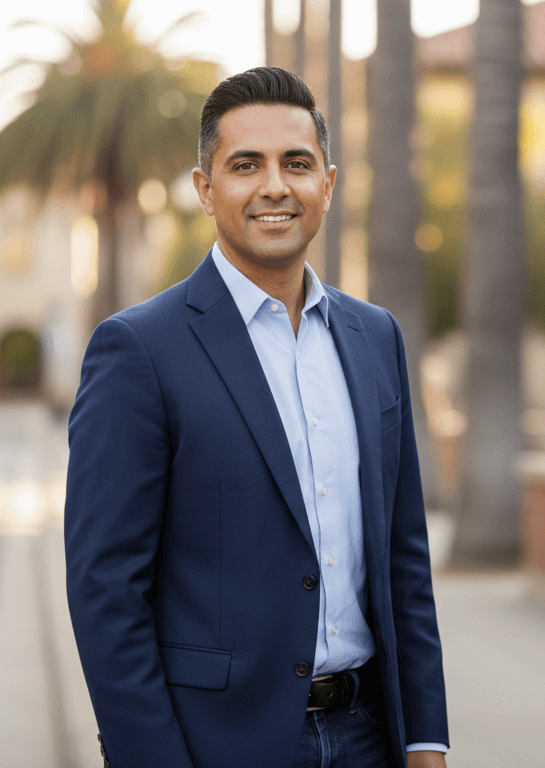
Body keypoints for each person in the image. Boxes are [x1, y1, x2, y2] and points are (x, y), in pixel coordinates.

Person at [64, 67, 448, 768]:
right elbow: (105, 591)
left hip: (371, 738)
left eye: (296, 164)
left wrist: (425, 738)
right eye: (246, 165)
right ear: (205, 189)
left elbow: (404, 558)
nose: (275, 185)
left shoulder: (376, 338)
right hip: (219, 746)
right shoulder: (140, 350)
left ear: (327, 184)